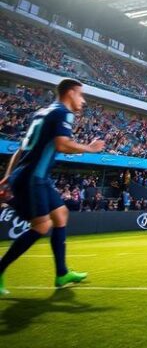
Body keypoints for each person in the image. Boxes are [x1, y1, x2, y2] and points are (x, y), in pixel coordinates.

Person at [0, 79, 105, 295]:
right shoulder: (63, 112)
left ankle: (62, 273)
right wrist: (91, 148)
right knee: (41, 226)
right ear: (70, 93)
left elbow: (21, 149)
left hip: (35, 176)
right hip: (34, 177)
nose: (83, 100)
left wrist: (8, 175)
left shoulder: (42, 113)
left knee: (61, 214)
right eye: (81, 95)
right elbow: (62, 144)